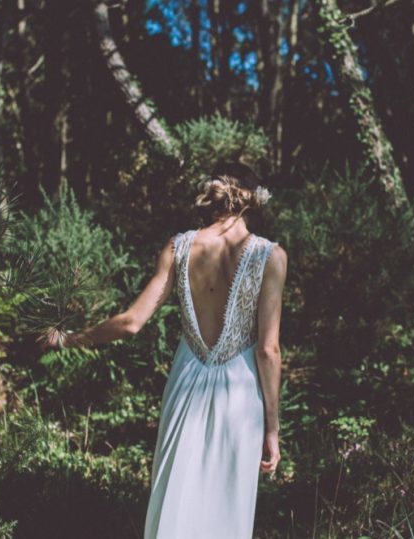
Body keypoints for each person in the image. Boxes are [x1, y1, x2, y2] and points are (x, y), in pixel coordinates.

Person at [39, 162, 288, 538]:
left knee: (178, 492)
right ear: (252, 202)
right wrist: (273, 428)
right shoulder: (271, 257)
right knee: (226, 502)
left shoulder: (180, 247)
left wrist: (68, 338)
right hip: (241, 389)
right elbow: (268, 350)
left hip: (187, 382)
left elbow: (131, 322)